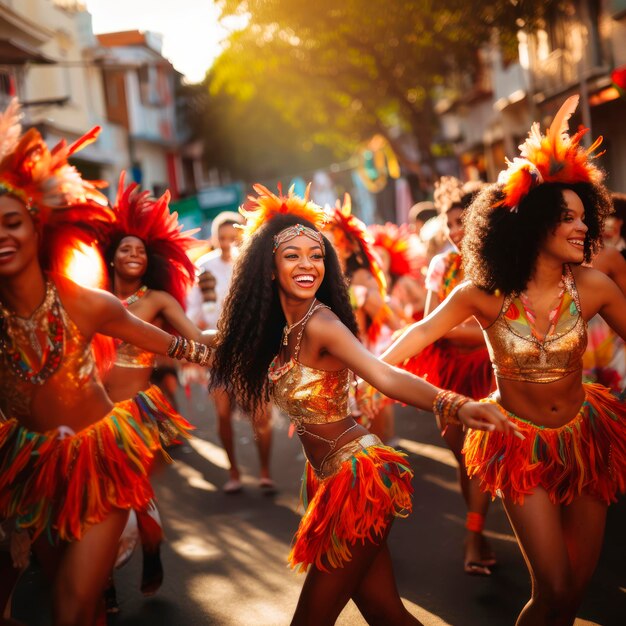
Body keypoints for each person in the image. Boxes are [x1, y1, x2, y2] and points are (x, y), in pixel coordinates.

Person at [209, 183, 518, 626]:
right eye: (292, 254)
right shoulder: (278, 331)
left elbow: (383, 374)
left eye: (316, 255)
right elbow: (208, 345)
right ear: (268, 268)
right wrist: (142, 332)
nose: (307, 264)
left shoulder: (322, 323)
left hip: (358, 477)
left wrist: (454, 404)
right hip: (326, 478)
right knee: (385, 612)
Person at [380, 95, 626, 626]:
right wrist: (364, 371)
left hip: (587, 437)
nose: (583, 228)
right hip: (516, 442)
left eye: (585, 217)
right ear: (533, 223)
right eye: (567, 218)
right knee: (552, 586)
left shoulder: (595, 286)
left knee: (577, 590)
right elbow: (421, 332)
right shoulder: (482, 294)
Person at [0, 100, 212, 626]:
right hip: (33, 469)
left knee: (70, 608)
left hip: (101, 461)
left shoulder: (86, 303)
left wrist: (241, 353)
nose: (1, 236)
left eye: (11, 222)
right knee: (77, 601)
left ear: (37, 225)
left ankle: (148, 542)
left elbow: (173, 344)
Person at [99, 174, 208, 607]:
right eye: (125, 248)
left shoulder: (158, 300)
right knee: (98, 497)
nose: (133, 255)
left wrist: (243, 337)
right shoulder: (94, 297)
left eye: (141, 251)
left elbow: (197, 339)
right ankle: (104, 583)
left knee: (131, 493)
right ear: (111, 256)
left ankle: (148, 546)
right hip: (92, 411)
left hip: (135, 415)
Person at [395, 176, 496, 575]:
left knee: (483, 458)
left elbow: (502, 327)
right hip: (450, 373)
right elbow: (431, 325)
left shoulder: (501, 263)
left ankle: (475, 534)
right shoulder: (442, 265)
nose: (454, 231)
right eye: (449, 223)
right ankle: (478, 524)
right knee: (463, 459)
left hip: (492, 372)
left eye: (463, 222)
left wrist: (457, 329)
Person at [187, 211, 274, 493]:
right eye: (221, 238)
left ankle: (264, 472)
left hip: (252, 349)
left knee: (261, 413)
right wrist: (197, 338)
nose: (226, 244)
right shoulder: (204, 267)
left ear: (240, 238)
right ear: (214, 239)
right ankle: (234, 473)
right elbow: (192, 311)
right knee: (222, 412)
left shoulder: (251, 266)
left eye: (232, 238)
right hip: (219, 350)